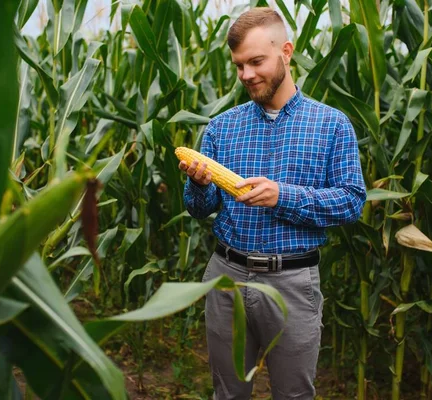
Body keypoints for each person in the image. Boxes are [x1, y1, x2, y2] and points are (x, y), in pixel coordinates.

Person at [178, 7, 366, 400]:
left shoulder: (332, 125)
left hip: (293, 283)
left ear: (286, 51)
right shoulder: (222, 126)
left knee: (294, 394)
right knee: (228, 392)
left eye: (256, 62)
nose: (246, 75)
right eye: (239, 65)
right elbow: (201, 207)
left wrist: (284, 196)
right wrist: (197, 185)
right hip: (226, 275)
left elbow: (351, 202)